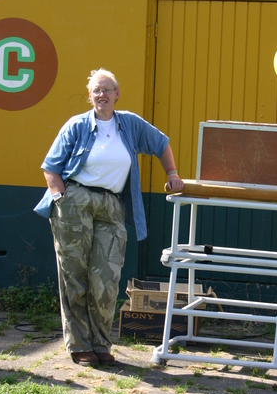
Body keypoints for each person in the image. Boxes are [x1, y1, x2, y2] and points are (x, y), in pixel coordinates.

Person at [34, 68, 184, 366]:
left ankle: (101, 343)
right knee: (74, 276)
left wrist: (173, 173)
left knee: (106, 278)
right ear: (90, 96)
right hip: (75, 201)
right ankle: (80, 346)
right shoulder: (76, 126)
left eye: (107, 90)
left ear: (117, 94)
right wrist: (61, 198)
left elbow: (161, 143)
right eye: (96, 91)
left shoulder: (129, 124)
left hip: (112, 205)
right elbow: (51, 167)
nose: (102, 95)